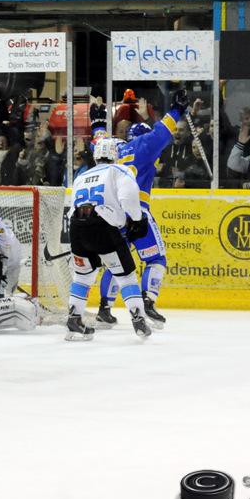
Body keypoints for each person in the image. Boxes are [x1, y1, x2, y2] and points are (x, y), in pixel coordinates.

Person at [97, 90, 190, 330]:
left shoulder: (116, 151)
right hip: (136, 212)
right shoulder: (144, 146)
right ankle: (148, 302)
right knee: (156, 258)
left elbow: (97, 143)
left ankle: (104, 308)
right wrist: (177, 110)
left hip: (113, 216)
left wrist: (97, 123)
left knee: (116, 263)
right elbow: (162, 132)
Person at [66, 137, 152, 341]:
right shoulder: (119, 170)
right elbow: (128, 199)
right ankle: (139, 320)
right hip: (103, 226)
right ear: (115, 155)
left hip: (77, 227)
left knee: (82, 276)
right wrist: (137, 219)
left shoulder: (81, 176)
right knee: (125, 276)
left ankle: (74, 320)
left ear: (96, 156)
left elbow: (71, 209)